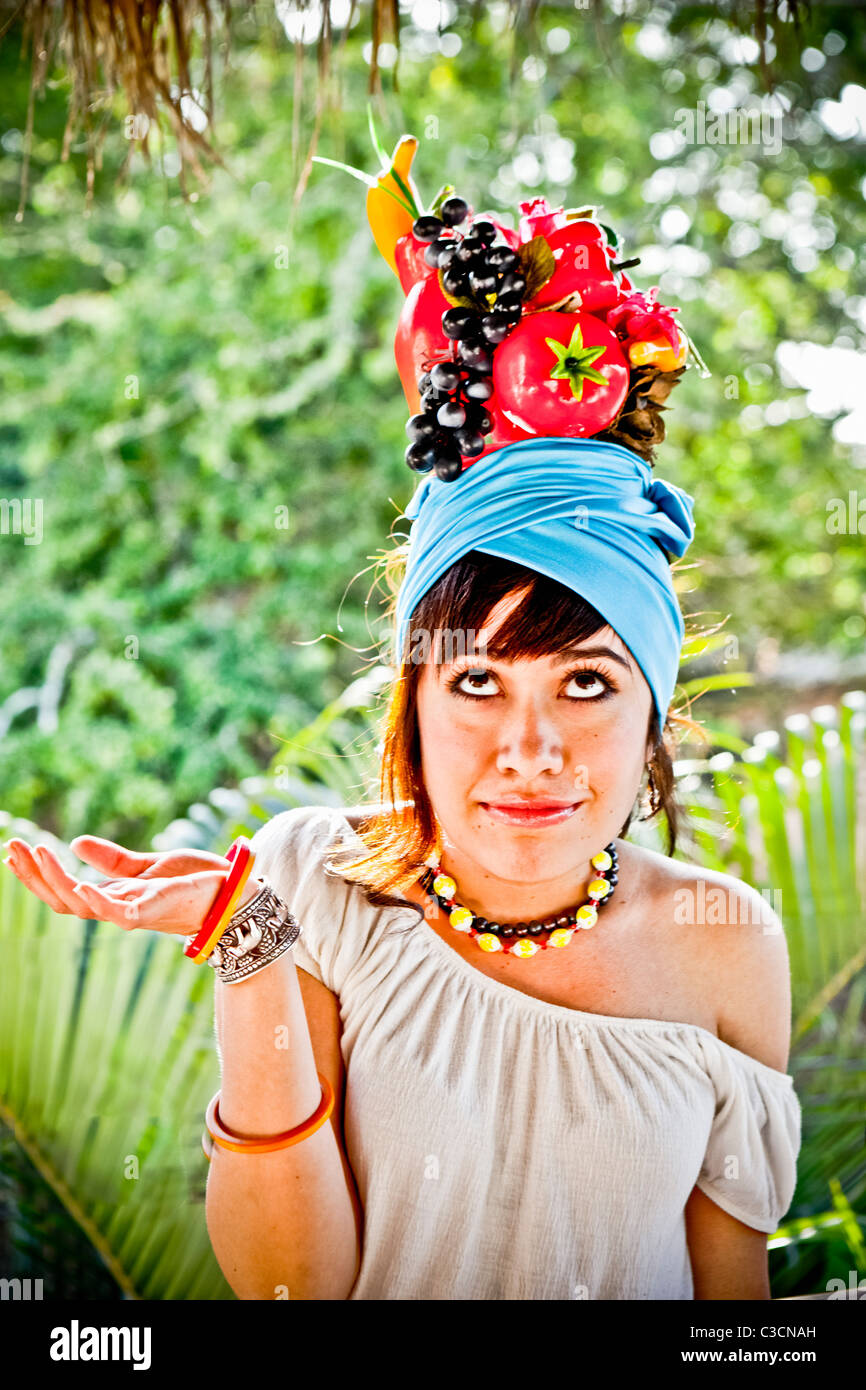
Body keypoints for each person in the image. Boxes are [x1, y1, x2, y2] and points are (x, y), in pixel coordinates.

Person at [3, 150, 801, 1301]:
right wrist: (249, 945)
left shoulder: (727, 938)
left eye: (584, 685)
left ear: (651, 713)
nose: (530, 750)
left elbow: (735, 1312)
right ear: (412, 704)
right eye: (476, 684)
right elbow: (295, 1288)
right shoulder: (303, 881)